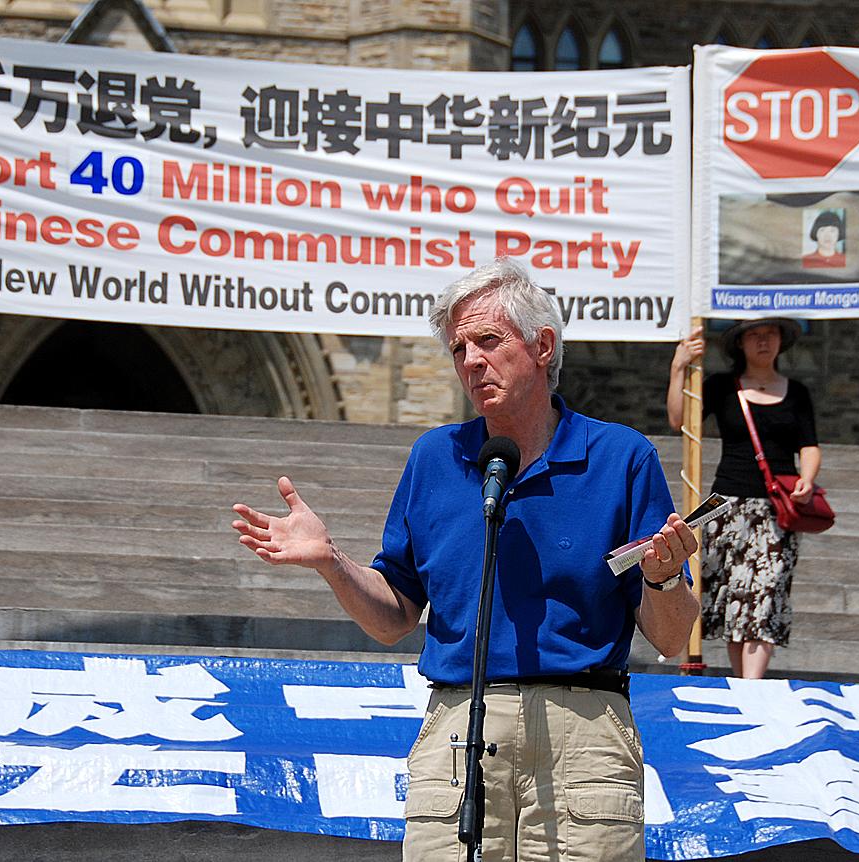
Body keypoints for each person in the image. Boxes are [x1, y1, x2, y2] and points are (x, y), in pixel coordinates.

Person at [233, 258, 698, 862]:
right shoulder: (435, 458)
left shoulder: (621, 457)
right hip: (456, 730)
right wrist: (330, 561)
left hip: (583, 735)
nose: (471, 361)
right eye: (459, 349)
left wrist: (661, 579)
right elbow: (393, 617)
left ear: (542, 346)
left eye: (488, 340)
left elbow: (668, 636)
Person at [666, 318, 821, 679]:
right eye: (754, 334)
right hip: (727, 505)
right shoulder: (722, 385)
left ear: (781, 341)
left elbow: (809, 446)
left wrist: (808, 480)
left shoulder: (796, 392)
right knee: (737, 596)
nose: (763, 341)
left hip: (776, 509)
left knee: (766, 593)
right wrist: (678, 366)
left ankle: (752, 686)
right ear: (741, 344)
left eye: (770, 334)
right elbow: (679, 419)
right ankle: (745, 686)